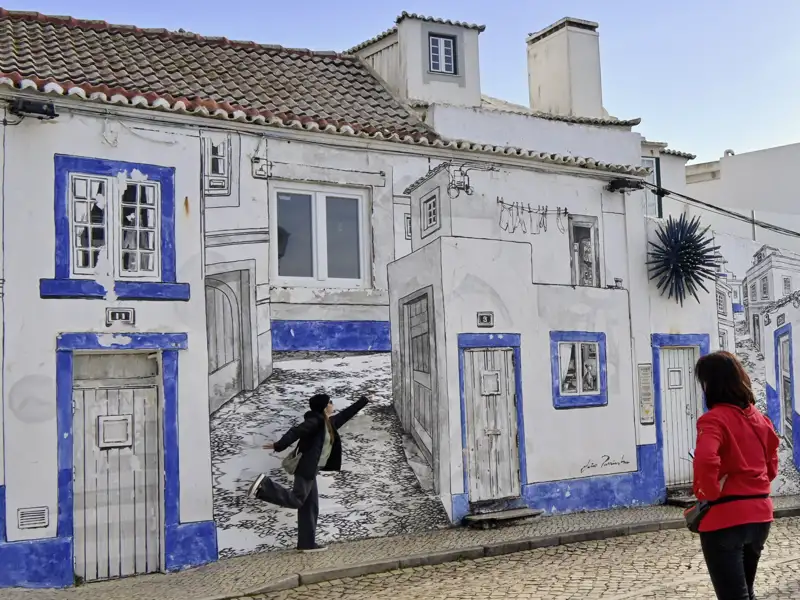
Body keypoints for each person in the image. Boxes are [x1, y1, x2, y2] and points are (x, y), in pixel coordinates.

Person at [693, 351, 780, 600]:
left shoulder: (713, 420)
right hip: (760, 515)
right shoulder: (761, 420)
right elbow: (771, 463)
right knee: (746, 593)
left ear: (711, 384)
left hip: (725, 518)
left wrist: (708, 492)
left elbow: (706, 458)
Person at [248, 393, 369, 552]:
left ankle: (307, 543)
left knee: (310, 506)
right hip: (306, 467)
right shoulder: (315, 421)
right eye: (330, 402)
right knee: (298, 500)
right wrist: (279, 445)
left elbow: (347, 414)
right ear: (324, 407)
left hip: (312, 470)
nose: (333, 404)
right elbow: (296, 431)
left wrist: (364, 401)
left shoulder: (329, 423)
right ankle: (263, 487)